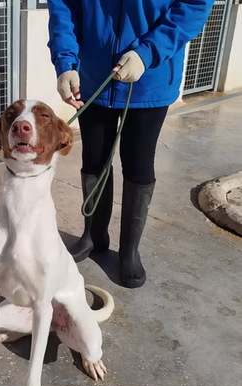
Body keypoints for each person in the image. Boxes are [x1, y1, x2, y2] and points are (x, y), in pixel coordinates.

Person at [47, 0, 214, 288]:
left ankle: (129, 251)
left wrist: (148, 52)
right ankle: (94, 236)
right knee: (94, 160)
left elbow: (194, 5)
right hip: (93, 76)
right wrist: (65, 61)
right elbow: (63, 5)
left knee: (138, 164)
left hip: (150, 77)